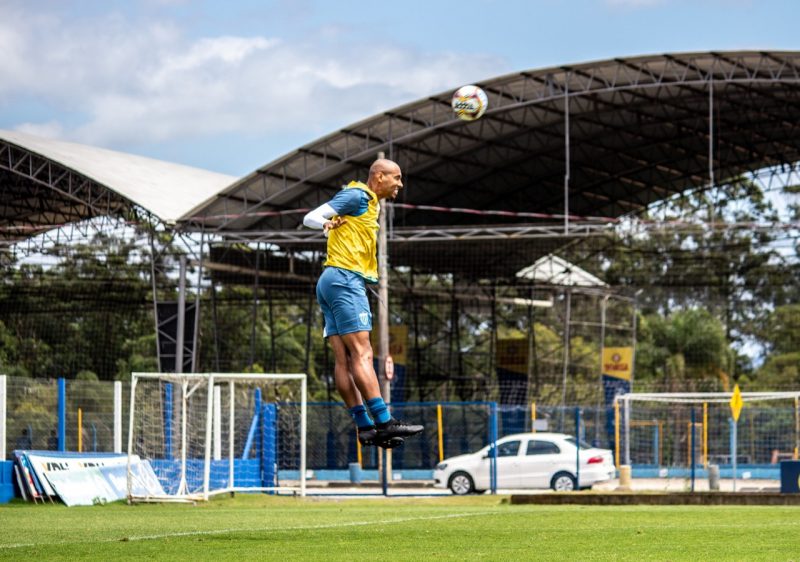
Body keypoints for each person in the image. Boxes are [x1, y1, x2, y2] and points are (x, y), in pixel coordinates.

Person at [304, 158, 423, 448]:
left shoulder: (370, 204)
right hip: (345, 280)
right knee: (363, 354)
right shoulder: (358, 196)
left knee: (343, 360)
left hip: (331, 280)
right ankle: (384, 421)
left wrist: (329, 224)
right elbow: (311, 217)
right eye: (396, 177)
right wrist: (326, 222)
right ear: (379, 176)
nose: (400, 184)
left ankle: (365, 427)